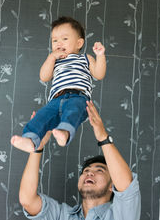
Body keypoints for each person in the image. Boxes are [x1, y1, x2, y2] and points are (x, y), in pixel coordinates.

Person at [19, 101, 141, 220]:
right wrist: (37, 149)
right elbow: (27, 200)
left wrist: (103, 137)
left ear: (112, 185)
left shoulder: (120, 218)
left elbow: (126, 186)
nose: (89, 173)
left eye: (100, 170)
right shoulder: (62, 217)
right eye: (86, 170)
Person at [11, 16, 106, 153]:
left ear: (79, 43)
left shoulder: (85, 58)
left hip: (78, 96)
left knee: (73, 111)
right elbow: (44, 77)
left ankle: (64, 133)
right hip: (55, 100)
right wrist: (51, 57)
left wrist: (100, 56)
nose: (59, 43)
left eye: (65, 39)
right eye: (55, 40)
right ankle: (30, 140)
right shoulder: (54, 61)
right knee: (40, 117)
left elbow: (99, 74)